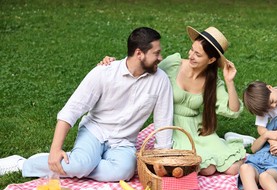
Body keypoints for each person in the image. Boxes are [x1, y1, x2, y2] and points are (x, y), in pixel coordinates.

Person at [0, 27, 174, 181]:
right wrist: (55, 149)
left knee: (124, 172)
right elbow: (72, 109)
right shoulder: (104, 73)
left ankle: (80, 163)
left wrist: (162, 160)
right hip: (95, 132)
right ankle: (22, 164)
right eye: (156, 53)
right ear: (139, 53)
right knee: (79, 166)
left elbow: (163, 122)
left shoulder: (161, 81)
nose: (160, 57)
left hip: (124, 141)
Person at [101, 26, 246, 176]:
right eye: (191, 50)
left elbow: (233, 110)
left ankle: (229, 140)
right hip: (173, 127)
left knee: (233, 168)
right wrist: (114, 64)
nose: (191, 56)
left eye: (197, 54)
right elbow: (143, 69)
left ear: (211, 59)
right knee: (207, 169)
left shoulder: (212, 81)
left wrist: (230, 81)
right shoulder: (173, 64)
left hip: (197, 129)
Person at [225, 81, 277, 146]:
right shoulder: (264, 107)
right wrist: (271, 139)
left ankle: (252, 141)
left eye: (272, 101)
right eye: (269, 107)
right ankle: (249, 142)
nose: (274, 105)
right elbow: (261, 128)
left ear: (270, 87)